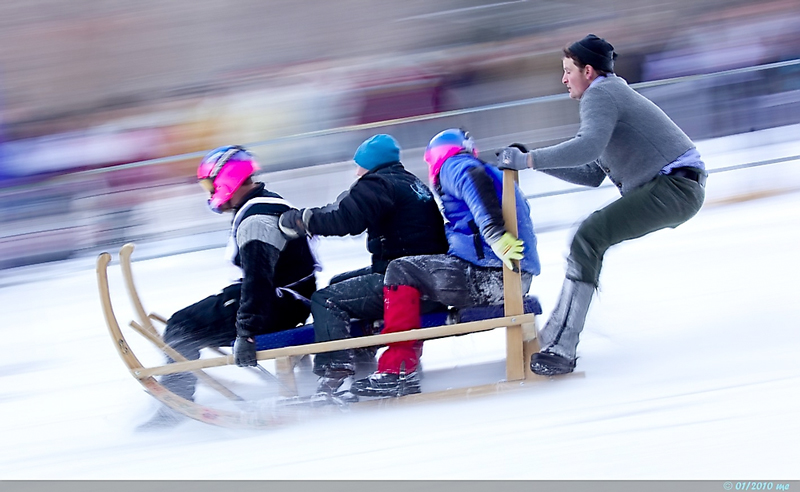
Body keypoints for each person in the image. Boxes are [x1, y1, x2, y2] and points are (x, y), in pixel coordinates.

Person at [496, 34, 707, 376]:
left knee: (589, 235)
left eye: (568, 71)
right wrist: (533, 160)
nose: (564, 79)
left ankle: (561, 347)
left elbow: (587, 147)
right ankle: (554, 339)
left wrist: (530, 159)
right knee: (588, 238)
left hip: (674, 186)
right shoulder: (611, 94)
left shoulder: (601, 94)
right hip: (678, 186)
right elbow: (592, 172)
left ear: (588, 71)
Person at [349, 128, 541, 398]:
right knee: (416, 271)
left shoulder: (455, 165)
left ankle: (398, 370)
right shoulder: (479, 166)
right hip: (510, 274)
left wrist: (496, 236)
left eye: (429, 161)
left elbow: (476, 190)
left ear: (436, 155)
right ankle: (401, 360)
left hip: (491, 275)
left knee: (401, 269)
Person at [140, 145, 317, 428]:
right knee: (189, 321)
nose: (209, 192)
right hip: (286, 301)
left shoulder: (257, 219)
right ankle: (177, 397)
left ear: (228, 178)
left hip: (276, 305)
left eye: (210, 184)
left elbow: (259, 281)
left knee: (182, 327)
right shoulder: (266, 204)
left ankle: (173, 408)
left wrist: (246, 333)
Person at [278, 134, 449, 395]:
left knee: (326, 299)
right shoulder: (408, 182)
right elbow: (344, 208)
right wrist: (310, 217)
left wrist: (304, 222)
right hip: (426, 278)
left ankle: (333, 372)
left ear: (370, 164)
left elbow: (346, 220)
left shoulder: (377, 183)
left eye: (358, 165)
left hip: (406, 284)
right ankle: (363, 357)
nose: (356, 171)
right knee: (338, 284)